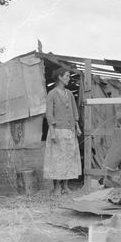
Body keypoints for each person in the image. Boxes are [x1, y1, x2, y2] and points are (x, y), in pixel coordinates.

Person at [43, 67, 82, 195]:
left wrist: (77, 126)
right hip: (57, 131)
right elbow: (49, 114)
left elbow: (74, 110)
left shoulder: (70, 94)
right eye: (67, 76)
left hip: (69, 130)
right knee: (57, 159)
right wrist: (52, 131)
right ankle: (57, 187)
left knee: (69, 158)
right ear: (60, 77)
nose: (69, 78)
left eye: (69, 76)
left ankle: (65, 185)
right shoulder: (52, 94)